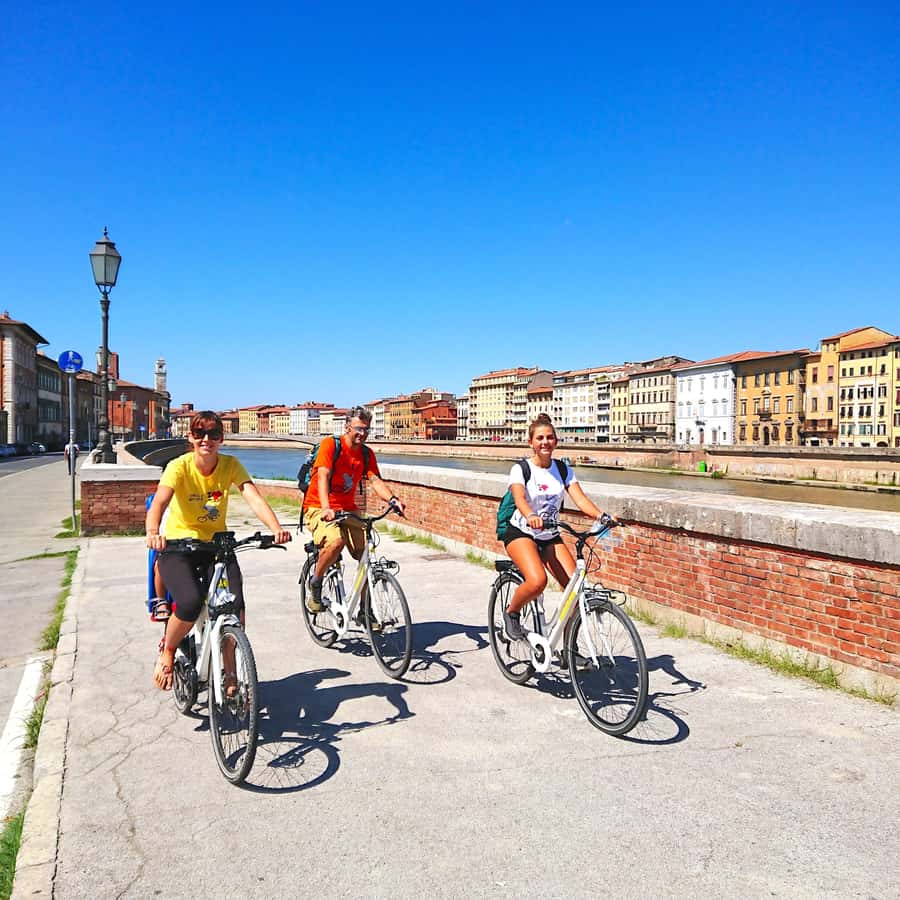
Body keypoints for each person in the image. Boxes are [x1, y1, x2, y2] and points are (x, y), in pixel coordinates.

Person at [145, 411, 291, 690]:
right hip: (178, 546)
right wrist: (153, 533)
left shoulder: (230, 465)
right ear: (191, 437)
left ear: (221, 439)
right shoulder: (179, 466)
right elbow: (159, 503)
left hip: (216, 547)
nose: (206, 440)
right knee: (189, 602)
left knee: (234, 606)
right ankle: (168, 649)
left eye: (213, 434)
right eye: (199, 434)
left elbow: (253, 497)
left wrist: (275, 528)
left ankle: (231, 674)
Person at [502, 413, 610, 641]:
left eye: (550, 437)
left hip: (549, 534)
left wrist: (602, 516)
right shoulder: (521, 469)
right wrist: (530, 514)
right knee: (537, 581)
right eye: (540, 438)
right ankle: (512, 613)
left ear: (556, 442)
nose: (545, 442)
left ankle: (568, 650)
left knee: (575, 590)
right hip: (522, 532)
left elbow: (580, 499)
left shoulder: (562, 469)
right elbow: (519, 498)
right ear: (530, 442)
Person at [302, 406, 406, 612]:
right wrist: (325, 507)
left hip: (349, 510)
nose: (363, 433)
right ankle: (316, 582)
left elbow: (375, 481)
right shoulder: (331, 445)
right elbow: (322, 475)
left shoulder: (366, 454)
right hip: (318, 506)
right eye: (359, 428)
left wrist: (393, 499)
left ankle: (365, 611)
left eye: (367, 429)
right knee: (335, 542)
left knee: (366, 557)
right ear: (347, 426)